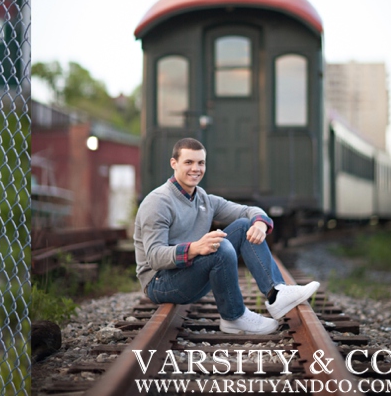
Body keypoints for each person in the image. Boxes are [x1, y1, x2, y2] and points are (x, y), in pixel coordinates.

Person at [134, 138, 319, 334]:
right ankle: (234, 316)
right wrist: (195, 248)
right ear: (174, 164)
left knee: (244, 226)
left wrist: (260, 223)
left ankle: (276, 293)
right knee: (219, 246)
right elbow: (154, 256)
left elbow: (248, 210)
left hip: (186, 273)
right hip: (160, 283)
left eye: (200, 163)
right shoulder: (158, 202)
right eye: (188, 162)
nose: (195, 168)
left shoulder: (203, 199)